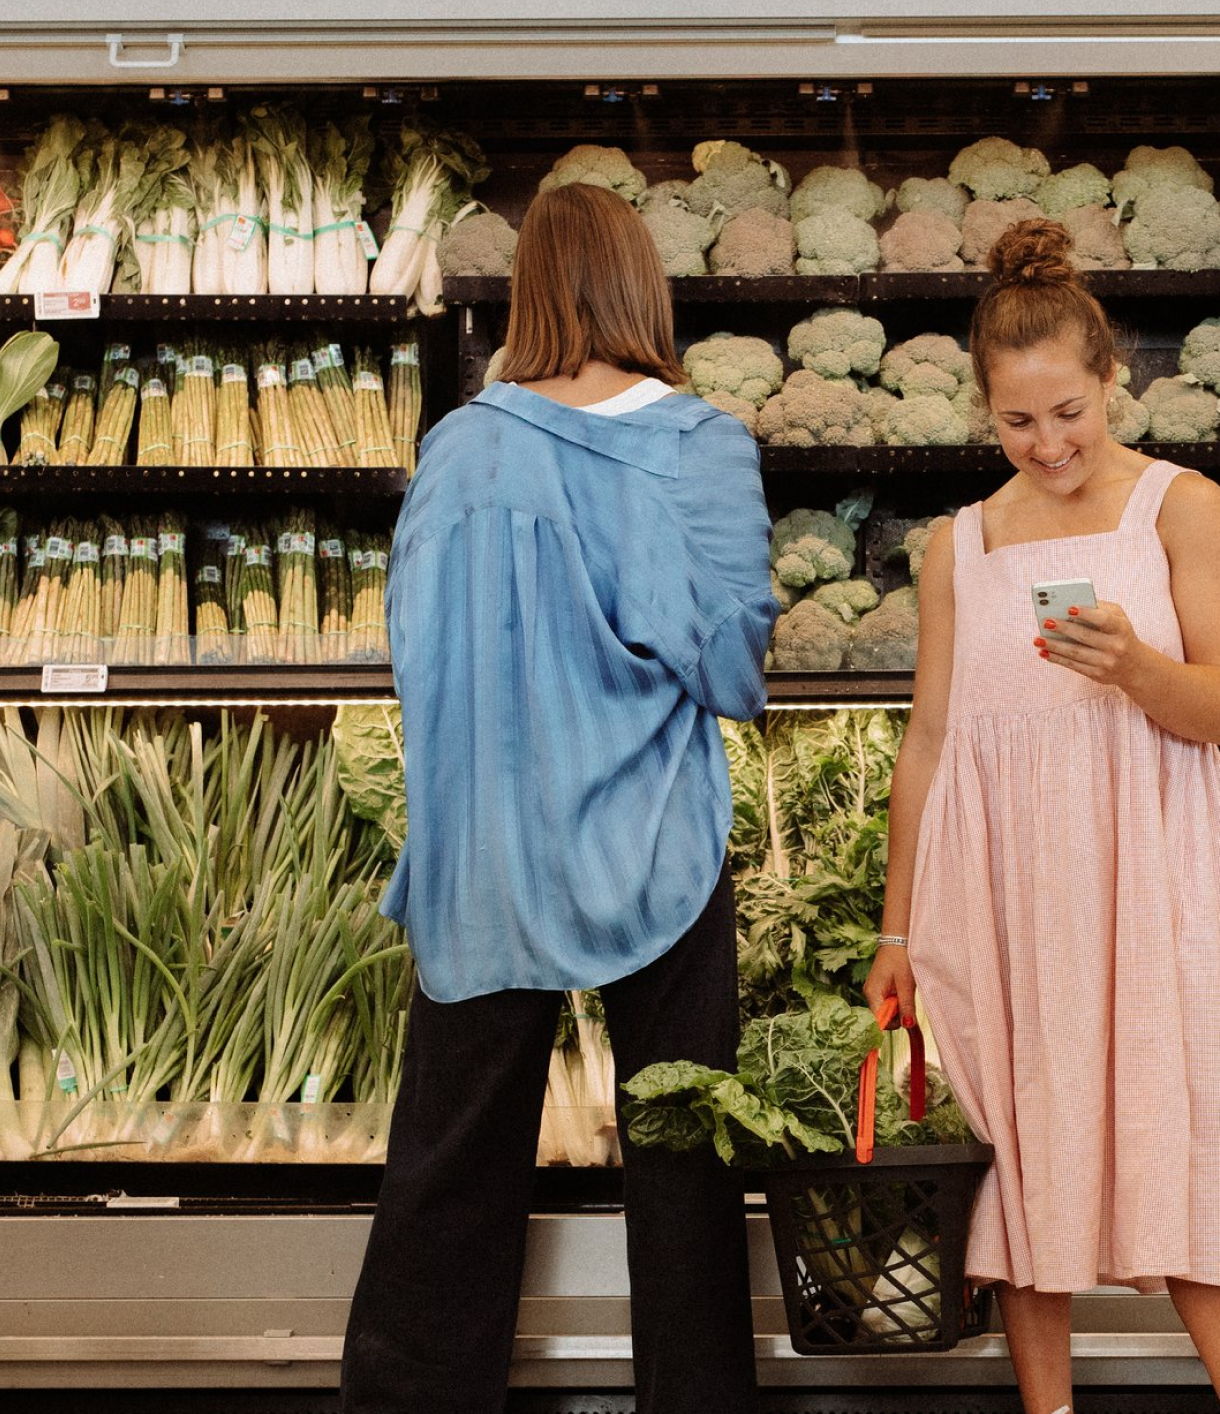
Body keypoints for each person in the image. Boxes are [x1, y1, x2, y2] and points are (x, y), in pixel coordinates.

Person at [343, 181, 780, 1414]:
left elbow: (415, 648)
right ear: (645, 281)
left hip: (485, 857)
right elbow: (730, 670)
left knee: (449, 1166)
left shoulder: (461, 444)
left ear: (527, 291)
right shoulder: (700, 443)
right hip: (653, 847)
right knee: (681, 1166)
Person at [866, 219, 1220, 1414]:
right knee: (1019, 1171)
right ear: (984, 411)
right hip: (996, 894)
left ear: (1113, 381)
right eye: (1016, 420)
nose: (1046, 443)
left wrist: (1135, 667)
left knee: (1184, 1146)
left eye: (1068, 413)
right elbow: (931, 740)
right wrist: (897, 937)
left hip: (1145, 879)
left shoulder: (1179, 507)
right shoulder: (959, 547)